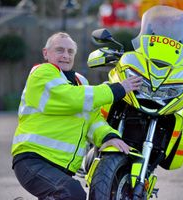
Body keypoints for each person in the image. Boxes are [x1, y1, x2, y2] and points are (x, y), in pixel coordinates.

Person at [11, 32, 142, 200]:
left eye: (70, 51)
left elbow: (92, 118)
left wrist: (108, 136)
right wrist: (118, 89)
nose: (65, 55)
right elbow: (71, 98)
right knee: (72, 193)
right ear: (46, 53)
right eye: (59, 50)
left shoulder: (81, 82)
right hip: (33, 159)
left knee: (69, 193)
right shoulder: (41, 73)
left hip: (61, 167)